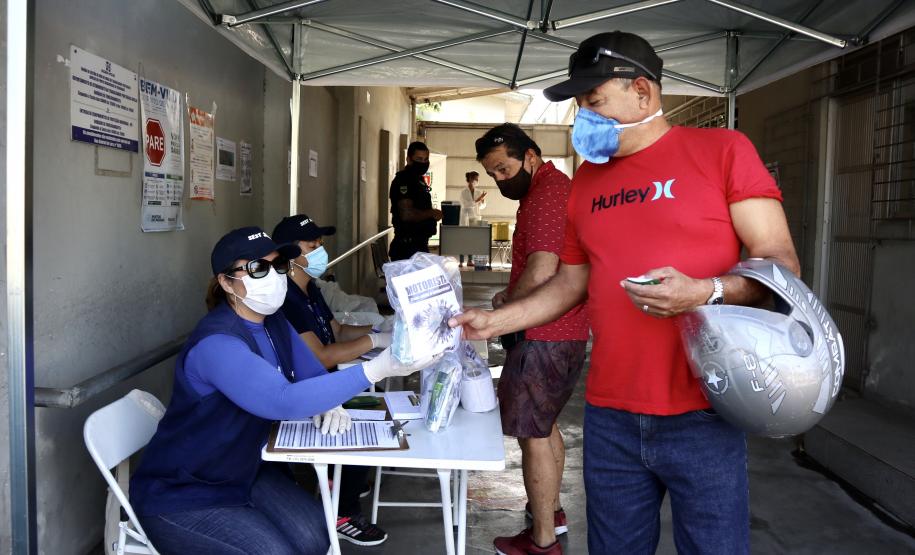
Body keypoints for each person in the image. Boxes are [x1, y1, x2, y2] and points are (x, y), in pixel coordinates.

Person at [451, 31, 800, 555]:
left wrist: (705, 292)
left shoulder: (723, 151)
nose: (582, 117)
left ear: (643, 92)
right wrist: (495, 322)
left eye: (593, 102)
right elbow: (570, 281)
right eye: (579, 106)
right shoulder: (587, 182)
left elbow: (780, 263)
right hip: (610, 414)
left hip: (702, 409)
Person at [130, 226, 437, 555]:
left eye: (277, 266)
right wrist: (379, 368)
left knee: (317, 536)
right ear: (226, 283)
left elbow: (309, 373)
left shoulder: (273, 321)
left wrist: (326, 402)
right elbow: (281, 400)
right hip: (185, 492)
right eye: (257, 268)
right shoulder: (217, 343)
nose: (273, 276)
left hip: (245, 470)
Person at [475, 124, 589, 555]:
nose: (501, 180)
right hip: (562, 331)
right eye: (493, 174)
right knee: (544, 425)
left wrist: (500, 316)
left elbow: (543, 271)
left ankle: (542, 541)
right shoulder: (549, 189)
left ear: (531, 157)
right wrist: (510, 292)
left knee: (533, 435)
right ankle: (552, 513)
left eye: (504, 169)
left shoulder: (546, 195)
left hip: (546, 332)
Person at [272, 214, 393, 546]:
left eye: (320, 244)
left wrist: (383, 329)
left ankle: (347, 481)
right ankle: (342, 510)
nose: (320, 250)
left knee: (378, 405)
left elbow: (336, 331)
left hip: (324, 383)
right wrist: (376, 345)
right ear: (288, 252)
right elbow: (320, 355)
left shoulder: (309, 288)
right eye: (312, 245)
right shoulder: (283, 296)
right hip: (304, 391)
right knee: (359, 419)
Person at [389, 141, 443, 260]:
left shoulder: (418, 180)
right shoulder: (403, 180)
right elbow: (406, 214)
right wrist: (432, 213)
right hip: (407, 249)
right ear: (409, 159)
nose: (423, 163)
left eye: (425, 159)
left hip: (419, 245)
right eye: (419, 159)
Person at [459, 170, 488, 266]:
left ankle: (470, 260)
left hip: (475, 218)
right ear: (470, 179)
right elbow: (466, 204)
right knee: (463, 239)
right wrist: (478, 199)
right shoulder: (463, 192)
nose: (476, 181)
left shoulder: (478, 192)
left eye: (477, 179)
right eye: (475, 179)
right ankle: (461, 261)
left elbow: (481, 207)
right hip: (465, 218)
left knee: (472, 239)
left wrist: (482, 201)